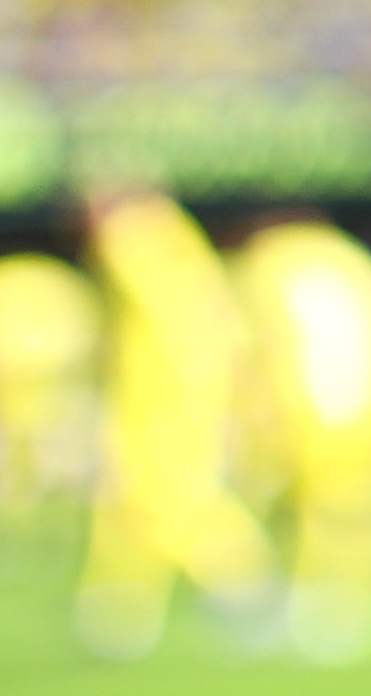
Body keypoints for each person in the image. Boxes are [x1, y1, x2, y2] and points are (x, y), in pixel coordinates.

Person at [75, 187, 275, 661]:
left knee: (169, 500)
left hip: (166, 401)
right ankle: (123, 604)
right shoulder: (181, 250)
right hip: (172, 396)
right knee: (137, 503)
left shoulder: (143, 243)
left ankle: (244, 585)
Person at [229, 216, 371, 665]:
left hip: (296, 406)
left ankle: (294, 603)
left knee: (286, 506)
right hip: (364, 401)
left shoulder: (266, 263)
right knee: (357, 509)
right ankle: (348, 605)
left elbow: (248, 341)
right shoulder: (353, 261)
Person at [0, 247, 102, 564]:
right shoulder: (51, 282)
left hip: (27, 381)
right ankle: (30, 531)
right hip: (36, 381)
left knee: (32, 461)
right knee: (26, 461)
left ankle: (31, 531)